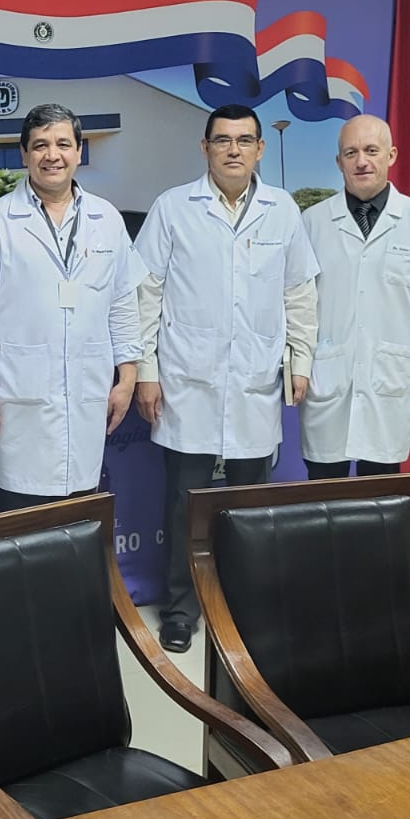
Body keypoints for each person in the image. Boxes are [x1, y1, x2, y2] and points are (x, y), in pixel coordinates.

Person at [134, 104, 318, 652]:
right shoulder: (173, 208)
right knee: (183, 502)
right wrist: (147, 370)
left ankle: (242, 606)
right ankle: (180, 608)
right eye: (222, 140)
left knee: (249, 505)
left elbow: (299, 294)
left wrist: (300, 361)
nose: (233, 149)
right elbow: (146, 293)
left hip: (256, 380)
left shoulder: (282, 211)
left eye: (244, 140)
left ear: (261, 149)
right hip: (187, 378)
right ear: (205, 148)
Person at [0, 104, 141, 508]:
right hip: (17, 404)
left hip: (87, 396)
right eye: (40, 145)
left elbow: (123, 304)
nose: (52, 154)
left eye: (63, 143)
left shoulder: (106, 219)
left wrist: (128, 377)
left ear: (79, 151)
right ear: (23, 154)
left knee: (78, 524)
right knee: (21, 528)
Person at [300, 114, 410, 478]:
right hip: (328, 376)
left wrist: (387, 325)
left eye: (371, 150)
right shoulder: (313, 222)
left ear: (391, 155)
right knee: (323, 497)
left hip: (389, 377)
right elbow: (300, 299)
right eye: (350, 153)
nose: (361, 161)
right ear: (338, 162)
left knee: (380, 500)